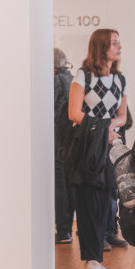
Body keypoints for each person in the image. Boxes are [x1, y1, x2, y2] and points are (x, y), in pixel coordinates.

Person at [69, 28, 129, 269]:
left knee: (106, 202)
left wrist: (110, 130)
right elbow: (74, 113)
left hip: (110, 147)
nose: (119, 47)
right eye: (114, 43)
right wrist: (104, 129)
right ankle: (92, 260)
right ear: (101, 46)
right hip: (88, 148)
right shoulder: (83, 76)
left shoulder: (120, 79)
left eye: (118, 42)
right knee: (88, 202)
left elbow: (123, 116)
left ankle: (96, 257)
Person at [52, 48, 75, 245]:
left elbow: (48, 109)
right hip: (70, 141)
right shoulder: (72, 79)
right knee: (68, 187)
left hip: (57, 140)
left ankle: (63, 231)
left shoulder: (56, 80)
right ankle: (66, 230)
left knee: (60, 187)